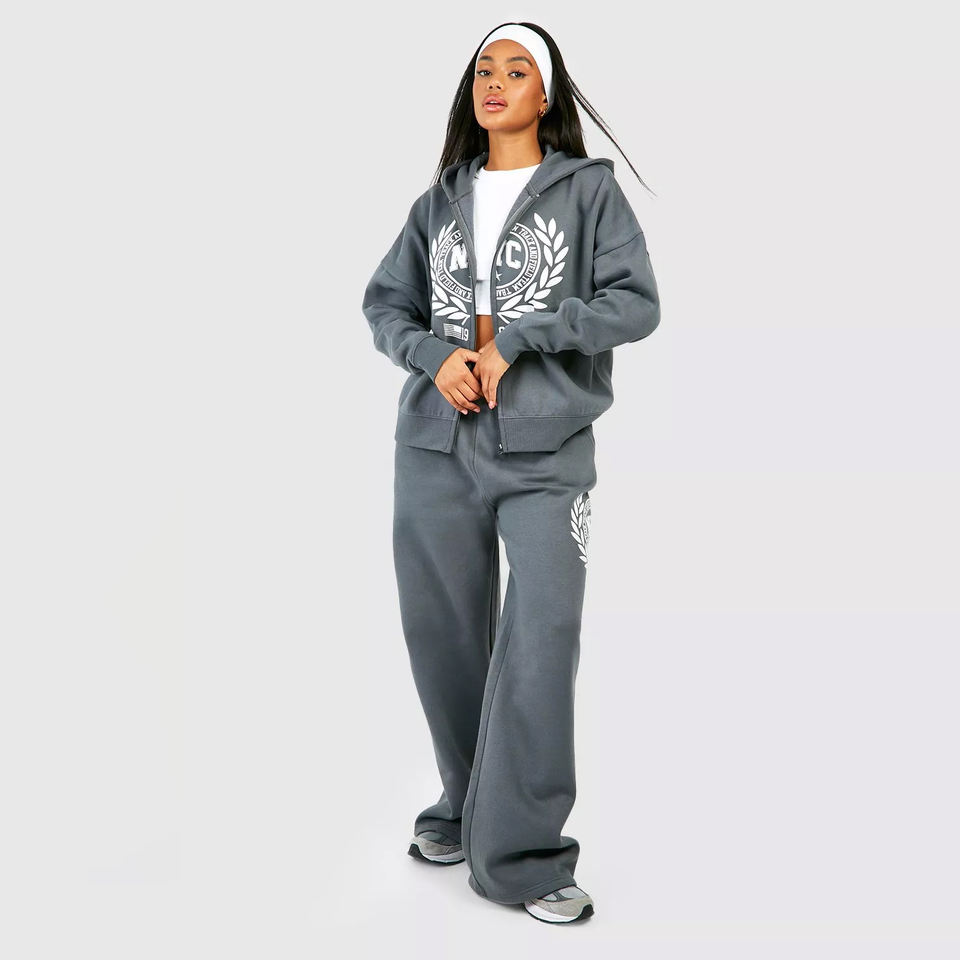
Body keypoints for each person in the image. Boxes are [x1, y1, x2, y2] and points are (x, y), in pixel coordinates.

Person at [361, 21, 661, 924]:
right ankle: (465, 806)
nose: (495, 82)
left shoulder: (589, 193)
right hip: (435, 446)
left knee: (542, 639)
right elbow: (385, 303)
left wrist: (523, 339)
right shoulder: (440, 199)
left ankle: (524, 854)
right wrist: (432, 356)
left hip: (544, 452)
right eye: (484, 70)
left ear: (546, 93)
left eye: (517, 69)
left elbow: (635, 304)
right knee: (444, 636)